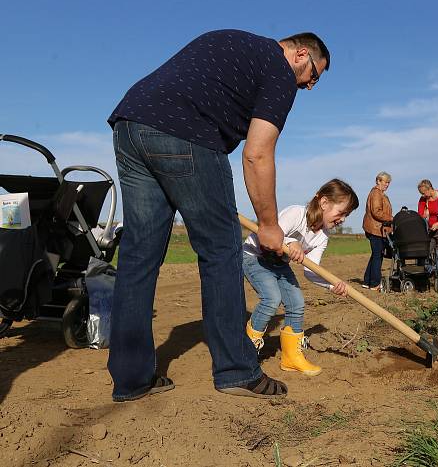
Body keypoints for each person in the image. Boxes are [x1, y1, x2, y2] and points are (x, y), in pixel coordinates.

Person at [107, 30, 330, 401]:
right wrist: (270, 225)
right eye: (313, 75)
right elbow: (257, 154)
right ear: (300, 53)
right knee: (221, 251)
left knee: (137, 256)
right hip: (185, 133)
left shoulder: (234, 42)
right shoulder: (278, 70)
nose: (309, 85)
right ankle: (237, 370)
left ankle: (131, 379)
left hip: (131, 124)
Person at [243, 179, 357, 376]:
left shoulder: (322, 236)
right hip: (256, 256)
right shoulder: (297, 213)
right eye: (342, 212)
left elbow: (312, 270)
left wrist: (332, 286)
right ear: (324, 203)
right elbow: (270, 236)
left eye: (347, 215)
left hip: (279, 263)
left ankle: (291, 358)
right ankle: (245, 352)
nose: (343, 219)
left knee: (296, 303)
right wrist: (290, 241)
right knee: (271, 299)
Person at [362, 172, 393, 290]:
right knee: (377, 256)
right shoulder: (376, 193)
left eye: (388, 182)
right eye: (384, 181)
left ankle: (367, 281)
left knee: (375, 255)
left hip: (377, 229)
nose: (386, 184)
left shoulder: (381, 194)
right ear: (378, 181)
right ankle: (375, 283)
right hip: (375, 229)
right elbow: (376, 211)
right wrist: (392, 218)